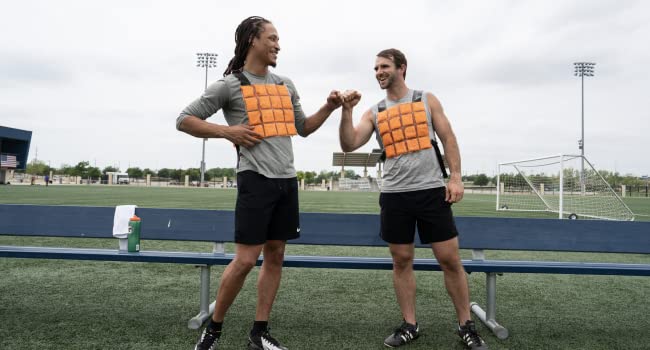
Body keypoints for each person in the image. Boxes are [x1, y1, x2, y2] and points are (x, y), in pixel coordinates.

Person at [176, 16, 343, 350]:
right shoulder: (229, 85)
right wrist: (228, 132)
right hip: (255, 180)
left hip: (286, 180)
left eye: (278, 40)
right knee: (245, 260)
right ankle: (214, 330)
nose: (278, 45)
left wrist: (330, 106)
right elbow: (184, 120)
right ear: (252, 39)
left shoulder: (286, 84)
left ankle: (259, 333)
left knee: (276, 256)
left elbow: (303, 128)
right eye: (272, 38)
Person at [338, 48, 488, 349]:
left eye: (384, 66)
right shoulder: (375, 111)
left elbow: (448, 138)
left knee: (449, 260)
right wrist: (347, 111)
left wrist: (455, 177)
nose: (378, 72)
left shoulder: (425, 100)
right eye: (375, 68)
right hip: (395, 196)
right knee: (402, 260)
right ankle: (409, 324)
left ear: (401, 68)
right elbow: (350, 143)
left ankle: (465, 325)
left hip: (432, 191)